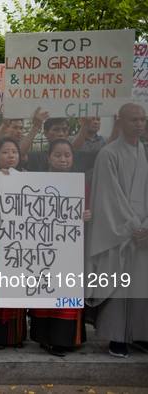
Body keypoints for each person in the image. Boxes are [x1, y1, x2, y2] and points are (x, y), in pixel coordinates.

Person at [86, 103, 148, 358]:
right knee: (118, 283)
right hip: (120, 229)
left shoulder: (145, 152)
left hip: (143, 230)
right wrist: (135, 225)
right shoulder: (108, 154)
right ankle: (115, 337)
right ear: (119, 121)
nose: (140, 124)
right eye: (134, 120)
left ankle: (138, 334)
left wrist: (147, 225)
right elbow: (107, 197)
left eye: (143, 120)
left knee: (140, 284)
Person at [29, 139, 91, 357]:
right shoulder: (36, 180)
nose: (63, 159)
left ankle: (66, 338)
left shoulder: (80, 183)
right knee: (47, 293)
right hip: (44, 247)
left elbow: (88, 209)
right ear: (48, 157)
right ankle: (47, 339)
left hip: (70, 248)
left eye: (67, 155)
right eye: (58, 155)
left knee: (67, 292)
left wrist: (87, 215)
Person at [0, 137, 27, 350]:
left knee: (15, 283)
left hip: (19, 240)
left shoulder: (28, 178)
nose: (11, 156)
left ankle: (16, 336)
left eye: (14, 152)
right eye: (5, 152)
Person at [19, 110, 120, 173]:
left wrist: (117, 127)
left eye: (64, 130)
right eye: (56, 130)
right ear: (46, 133)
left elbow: (104, 154)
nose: (61, 133)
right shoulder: (38, 157)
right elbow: (20, 155)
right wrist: (36, 126)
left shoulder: (79, 156)